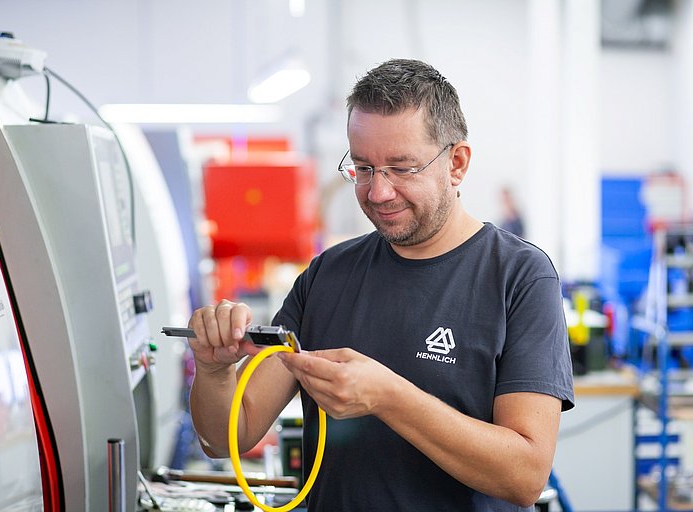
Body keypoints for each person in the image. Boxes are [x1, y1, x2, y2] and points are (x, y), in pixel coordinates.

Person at [187, 58, 574, 511]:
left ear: (457, 163)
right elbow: (226, 438)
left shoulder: (518, 277)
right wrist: (214, 372)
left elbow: (525, 475)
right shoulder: (327, 275)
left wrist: (389, 397)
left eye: (402, 168)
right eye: (364, 167)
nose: (378, 192)